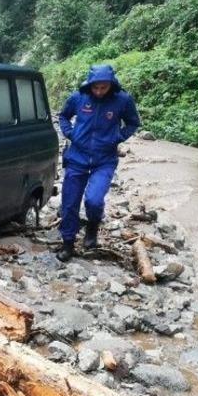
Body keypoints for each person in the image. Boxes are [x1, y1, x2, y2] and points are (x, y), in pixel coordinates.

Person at [56, 65, 140, 262]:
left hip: (104, 160)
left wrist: (117, 137)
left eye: (104, 88)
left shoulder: (123, 100)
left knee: (94, 200)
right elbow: (63, 116)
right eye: (96, 88)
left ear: (111, 85)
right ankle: (68, 243)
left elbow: (133, 123)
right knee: (69, 203)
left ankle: (92, 226)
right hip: (77, 158)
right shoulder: (78, 97)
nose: (99, 92)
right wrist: (70, 133)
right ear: (90, 85)